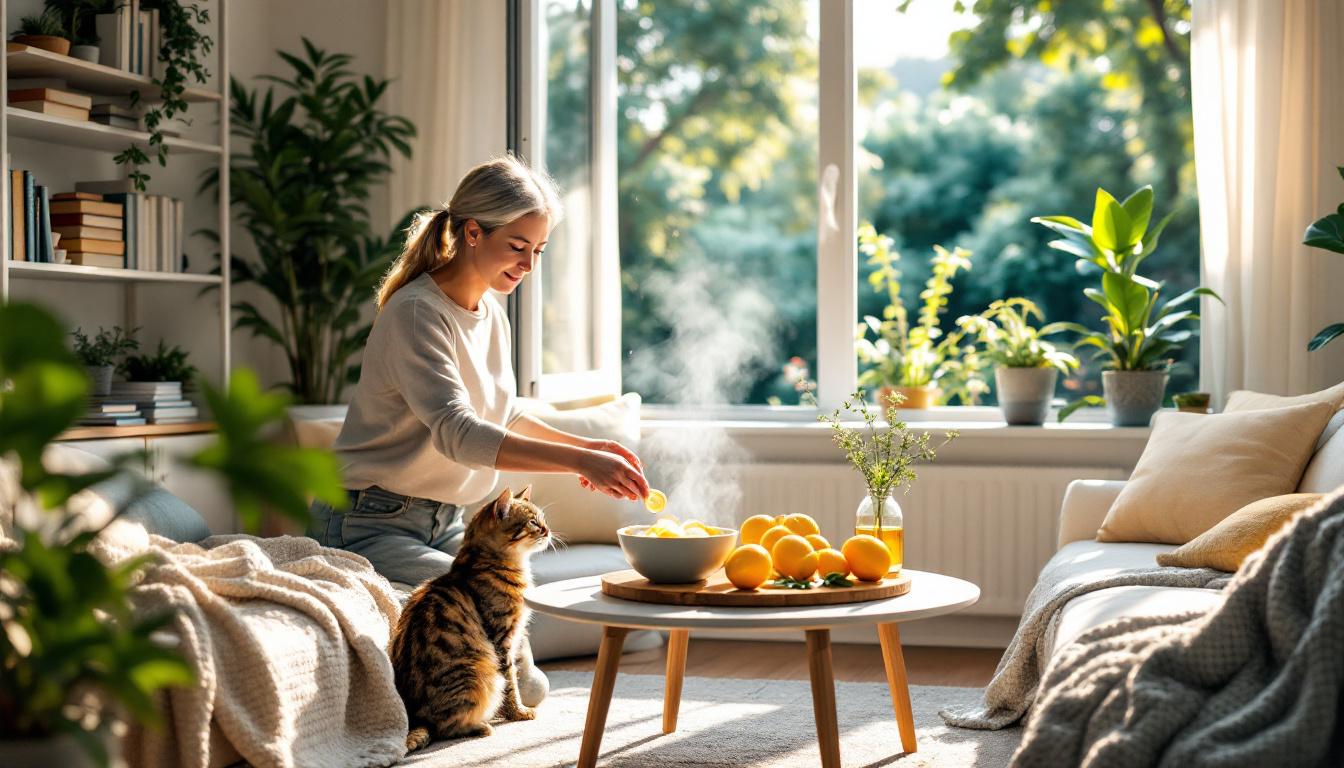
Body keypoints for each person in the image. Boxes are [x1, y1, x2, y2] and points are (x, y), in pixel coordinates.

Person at [307, 155, 651, 704]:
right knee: (508, 671)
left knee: (522, 675)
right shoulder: (418, 313)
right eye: (518, 247)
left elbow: (500, 411)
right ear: (472, 232)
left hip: (448, 522)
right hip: (367, 521)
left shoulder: (490, 312)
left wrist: (587, 446)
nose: (529, 265)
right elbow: (459, 433)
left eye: (537, 251)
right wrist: (579, 463)